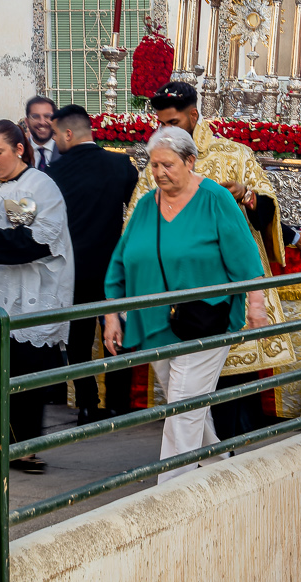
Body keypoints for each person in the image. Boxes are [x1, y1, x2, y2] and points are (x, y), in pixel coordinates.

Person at [104, 126, 269, 471]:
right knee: (188, 407)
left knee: (181, 410)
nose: (159, 172)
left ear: (190, 161)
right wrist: (111, 315)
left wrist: (256, 306)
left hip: (205, 319)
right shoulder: (147, 204)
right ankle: (221, 470)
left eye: (167, 165)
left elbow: (245, 257)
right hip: (154, 323)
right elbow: (121, 260)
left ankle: (171, 492)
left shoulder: (215, 199)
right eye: (154, 165)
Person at [136, 79, 294, 434]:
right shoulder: (158, 162)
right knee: (184, 389)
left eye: (174, 122)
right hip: (177, 288)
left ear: (194, 116)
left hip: (230, 287)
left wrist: (247, 195)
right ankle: (198, 455)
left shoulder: (234, 154)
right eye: (161, 123)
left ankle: (229, 455)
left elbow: (267, 207)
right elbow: (138, 218)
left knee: (233, 387)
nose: (166, 130)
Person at [0, 119, 74, 468]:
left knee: (25, 374)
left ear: (19, 149)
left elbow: (38, 240)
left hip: (31, 292)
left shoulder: (39, 186)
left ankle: (24, 448)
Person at [47, 102, 139, 425]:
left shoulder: (53, 173)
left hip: (73, 270)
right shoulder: (121, 165)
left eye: (55, 134)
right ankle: (117, 404)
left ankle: (87, 405)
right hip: (114, 267)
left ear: (68, 134)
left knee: (78, 341)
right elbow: (136, 211)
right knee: (118, 334)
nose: (54, 140)